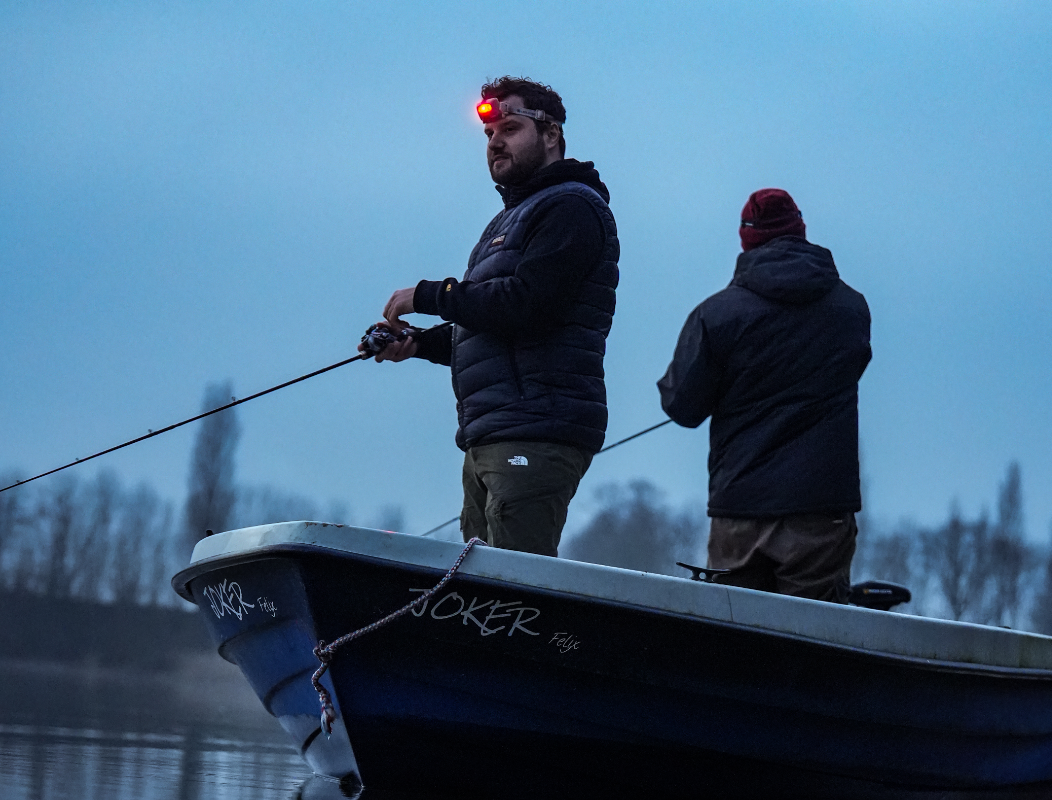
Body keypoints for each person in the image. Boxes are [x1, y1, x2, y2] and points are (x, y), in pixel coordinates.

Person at [364, 77, 619, 557]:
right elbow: (489, 324)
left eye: (510, 128)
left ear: (550, 135)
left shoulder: (571, 207)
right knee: (484, 590)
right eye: (488, 134)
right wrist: (417, 344)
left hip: (536, 430)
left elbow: (527, 305)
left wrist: (427, 295)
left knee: (515, 595)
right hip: (490, 436)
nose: (496, 141)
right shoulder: (509, 221)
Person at [657, 189, 871, 602]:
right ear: (801, 231)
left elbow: (682, 407)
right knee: (814, 645)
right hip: (822, 510)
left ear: (746, 240)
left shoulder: (717, 315)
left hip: (740, 510)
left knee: (737, 640)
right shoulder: (852, 309)